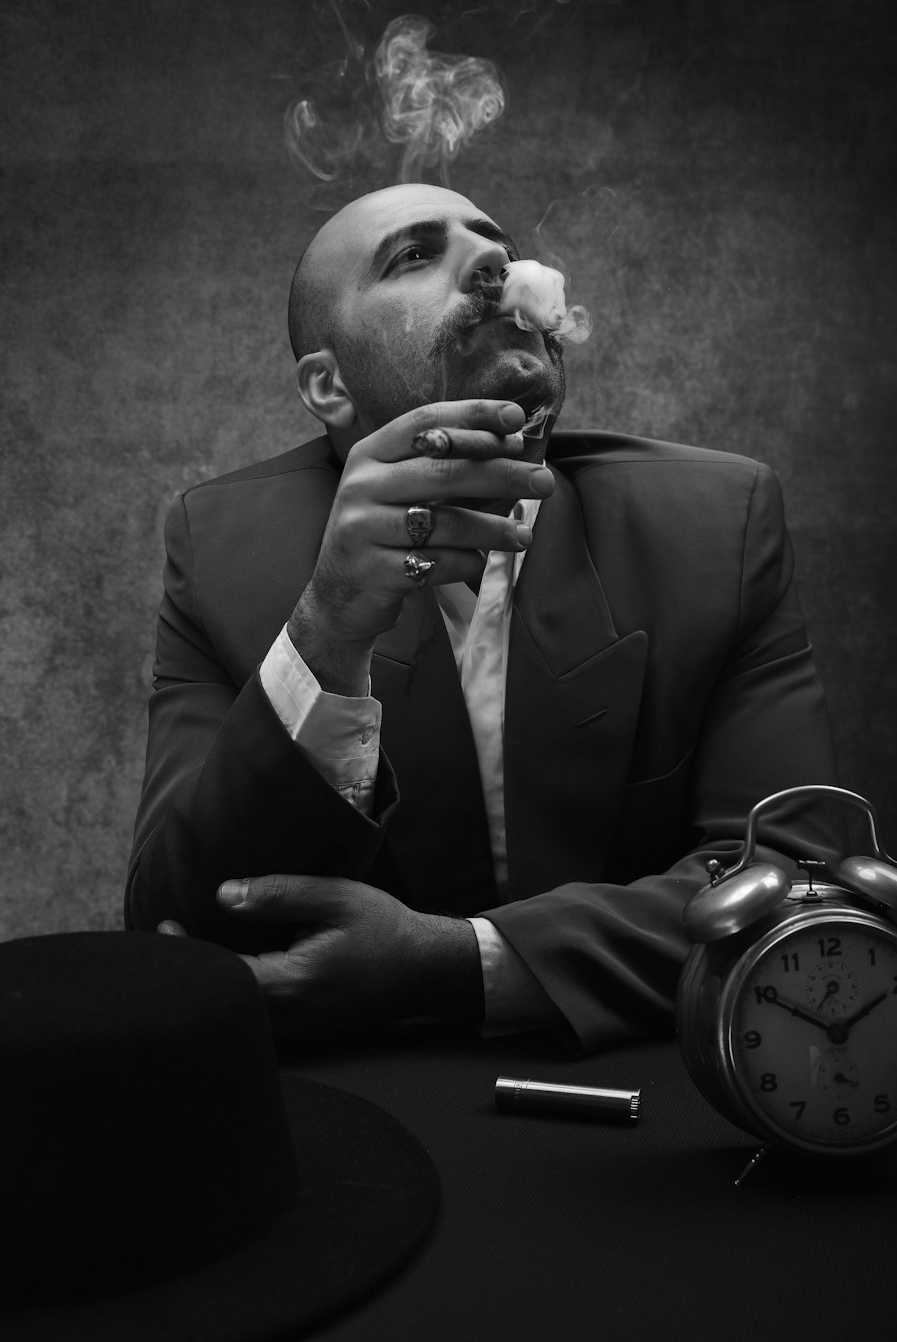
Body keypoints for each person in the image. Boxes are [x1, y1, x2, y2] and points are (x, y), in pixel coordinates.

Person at [127, 183, 840, 1052]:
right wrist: (329, 628)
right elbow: (175, 930)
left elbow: (800, 880)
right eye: (415, 256)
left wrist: (451, 962)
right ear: (328, 385)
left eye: (494, 242)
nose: (496, 264)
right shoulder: (222, 549)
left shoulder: (716, 527)